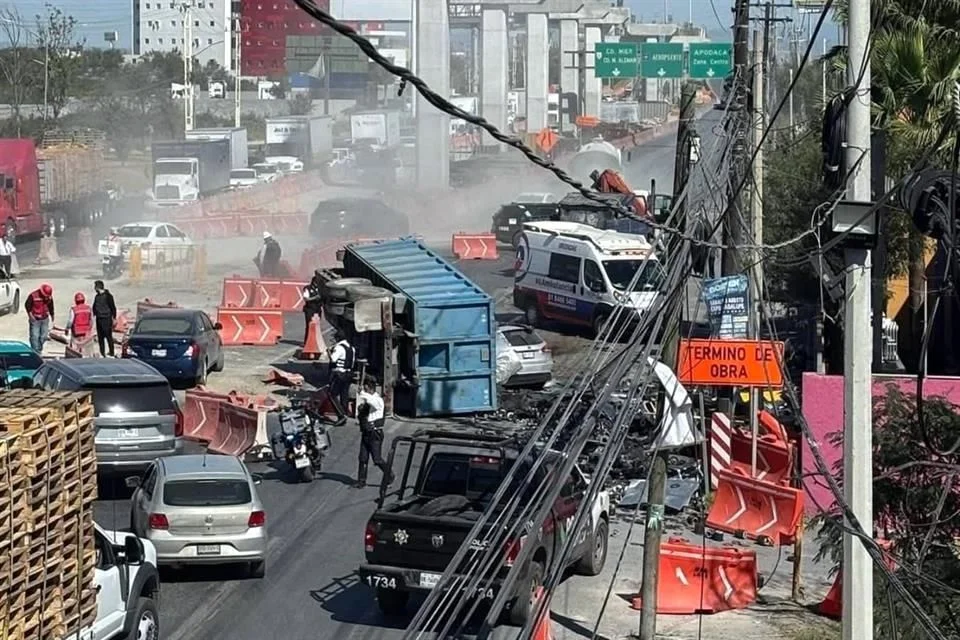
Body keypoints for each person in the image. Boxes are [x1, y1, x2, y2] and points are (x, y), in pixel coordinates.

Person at [354, 379, 394, 489]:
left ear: (371, 389)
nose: (365, 392)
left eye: (366, 389)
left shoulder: (377, 400)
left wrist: (362, 393)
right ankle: (361, 481)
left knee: (377, 459)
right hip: (366, 433)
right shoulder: (368, 402)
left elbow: (370, 400)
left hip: (375, 434)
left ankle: (389, 475)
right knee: (363, 458)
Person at [328, 333, 355, 427]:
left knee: (332, 394)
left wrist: (329, 351)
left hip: (340, 374)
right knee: (344, 394)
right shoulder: (352, 348)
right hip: (349, 374)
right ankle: (345, 412)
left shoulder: (339, 348)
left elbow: (333, 359)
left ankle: (341, 415)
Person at [24, 284, 54, 353]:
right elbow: (27, 306)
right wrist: (30, 316)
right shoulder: (33, 296)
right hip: (35, 319)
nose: (46, 298)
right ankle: (35, 351)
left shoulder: (49, 297)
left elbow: (51, 306)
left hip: (45, 319)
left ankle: (39, 348)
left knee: (44, 336)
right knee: (35, 336)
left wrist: (52, 315)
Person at [92, 280, 117, 357]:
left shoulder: (108, 296)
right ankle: (102, 353)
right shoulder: (97, 297)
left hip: (106, 319)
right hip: (99, 319)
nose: (94, 288)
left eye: (95, 287)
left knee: (108, 336)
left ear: (98, 287)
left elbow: (113, 307)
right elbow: (94, 307)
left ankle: (111, 352)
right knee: (100, 338)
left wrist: (114, 318)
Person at [302, 269, 324, 345]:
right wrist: (315, 298)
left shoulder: (321, 289)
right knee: (309, 325)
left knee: (317, 326)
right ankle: (306, 342)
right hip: (309, 309)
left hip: (317, 309)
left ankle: (316, 341)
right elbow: (306, 298)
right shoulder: (307, 288)